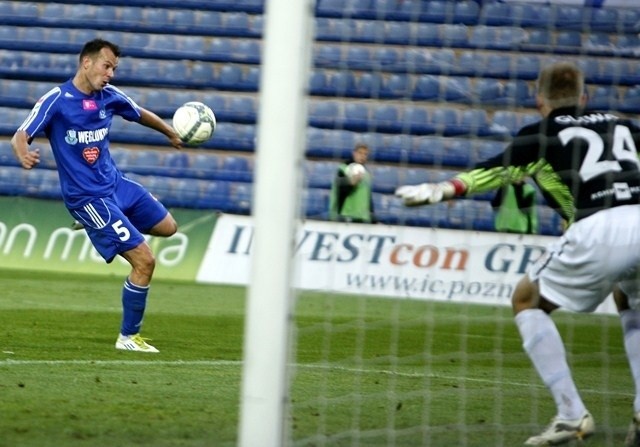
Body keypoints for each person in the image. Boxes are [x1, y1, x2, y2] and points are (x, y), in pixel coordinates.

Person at [396, 61, 640, 446]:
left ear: (538, 99)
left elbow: (494, 172)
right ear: (584, 96)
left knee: (526, 300)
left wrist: (443, 189)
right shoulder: (624, 124)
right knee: (629, 297)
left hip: (597, 225)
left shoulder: (539, 134)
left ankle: (571, 415)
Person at [11, 38, 183, 353]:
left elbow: (139, 112)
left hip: (116, 185)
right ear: (86, 63)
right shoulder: (57, 100)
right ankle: (128, 338)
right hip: (88, 198)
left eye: (114, 68)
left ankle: (95, 224)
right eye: (107, 66)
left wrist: (169, 131)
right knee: (145, 261)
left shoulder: (108, 97)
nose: (111, 74)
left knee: (169, 227)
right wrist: (24, 154)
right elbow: (21, 134)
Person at [329, 143, 375, 223]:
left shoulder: (366, 174)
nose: (363, 156)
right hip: (345, 217)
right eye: (360, 153)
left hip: (362, 218)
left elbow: (368, 198)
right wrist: (351, 184)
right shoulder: (343, 169)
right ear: (354, 153)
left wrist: (373, 219)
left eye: (365, 154)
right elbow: (339, 192)